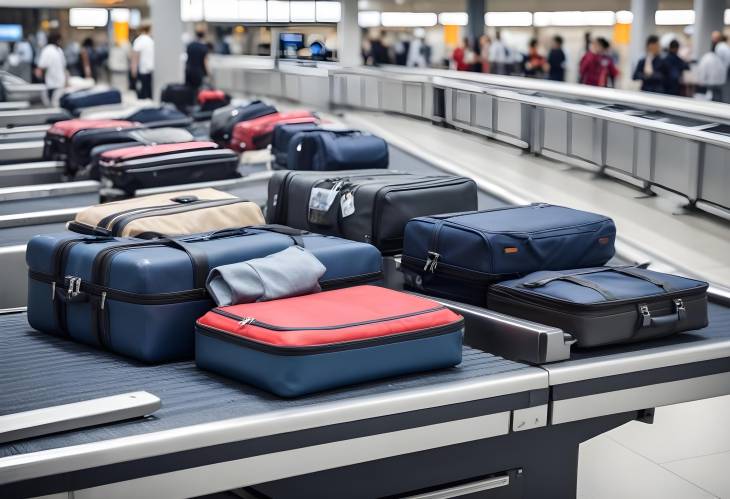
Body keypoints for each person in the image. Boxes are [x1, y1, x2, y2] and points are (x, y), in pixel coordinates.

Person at [35, 32, 67, 104]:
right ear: (57, 40)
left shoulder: (56, 50)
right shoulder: (51, 50)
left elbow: (40, 68)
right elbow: (41, 67)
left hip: (56, 83)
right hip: (54, 83)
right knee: (54, 104)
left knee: (54, 104)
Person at [131, 24, 154, 100]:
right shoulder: (151, 41)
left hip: (143, 70)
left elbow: (135, 57)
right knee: (150, 92)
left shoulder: (139, 40)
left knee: (142, 92)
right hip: (151, 69)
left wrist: (133, 69)